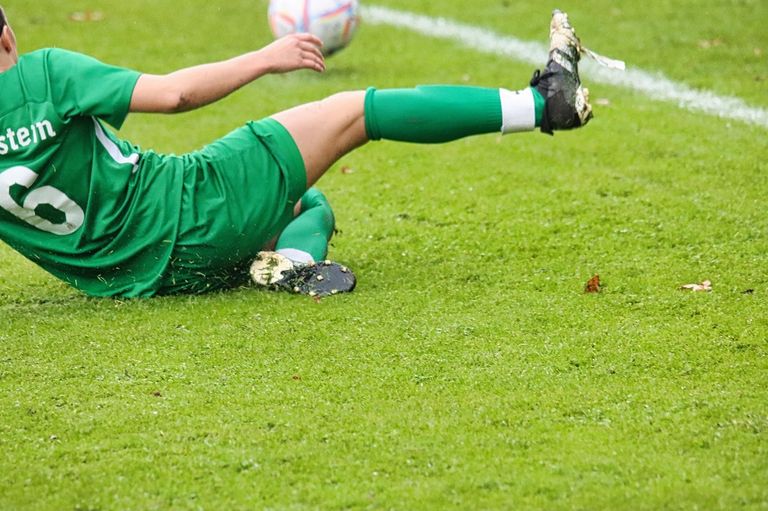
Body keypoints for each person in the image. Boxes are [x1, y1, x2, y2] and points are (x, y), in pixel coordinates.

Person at [0, 6, 592, 298]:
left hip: (139, 280)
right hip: (197, 208)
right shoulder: (46, 73)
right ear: (7, 35)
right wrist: (264, 57)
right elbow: (174, 94)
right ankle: (546, 104)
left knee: (309, 202)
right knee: (354, 111)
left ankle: (291, 265)